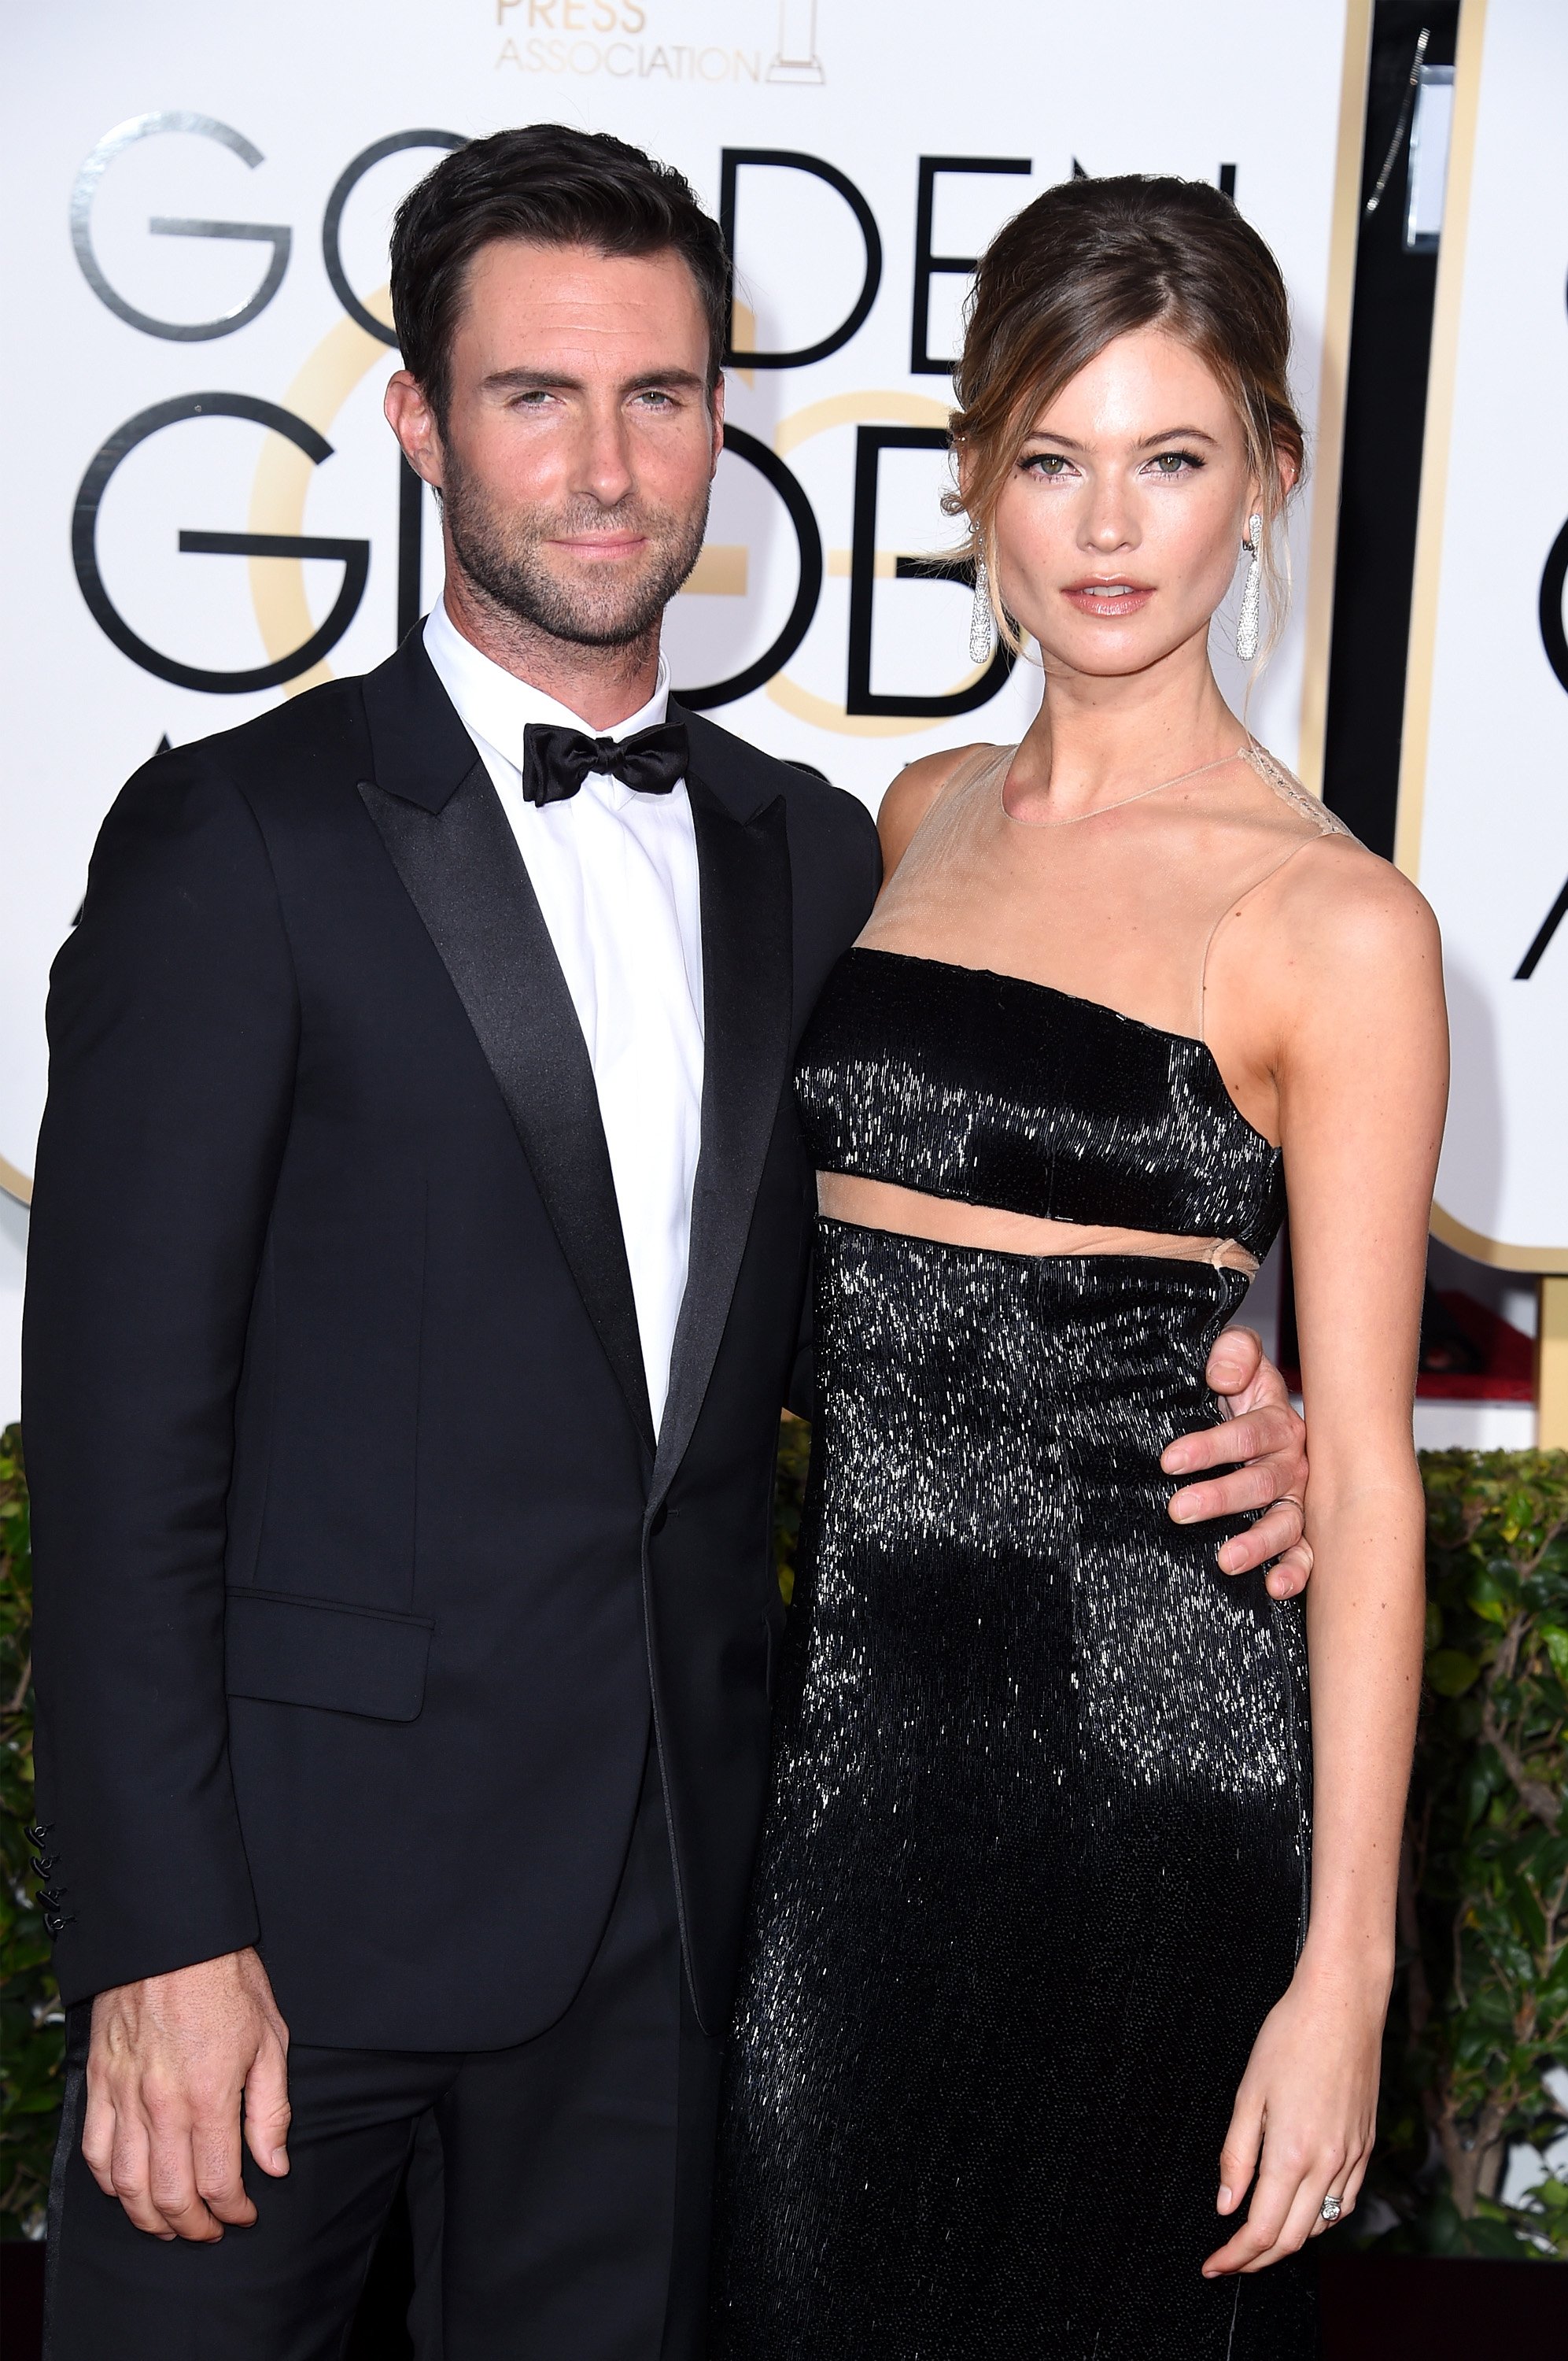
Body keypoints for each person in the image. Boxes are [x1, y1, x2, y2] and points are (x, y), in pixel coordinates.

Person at [24, 133, 1311, 2359]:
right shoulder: (237, 838)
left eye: (662, 395)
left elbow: (898, 1319)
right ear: (422, 422)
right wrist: (156, 1940)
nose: (608, 466)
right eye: (536, 395)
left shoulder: (816, 857)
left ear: (723, 418)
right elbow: (120, 1445)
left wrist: (1220, 1395)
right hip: (281, 1953)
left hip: (667, 1939)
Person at [713, 175, 1443, 2359]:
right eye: (1050, 458)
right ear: (971, 485)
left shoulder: (1333, 925)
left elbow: (1373, 1484)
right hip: (834, 1794)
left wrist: (1342, 1982)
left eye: (1170, 458)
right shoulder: (911, 818)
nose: (1105, 528)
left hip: (1153, 1797)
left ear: (1266, 485)